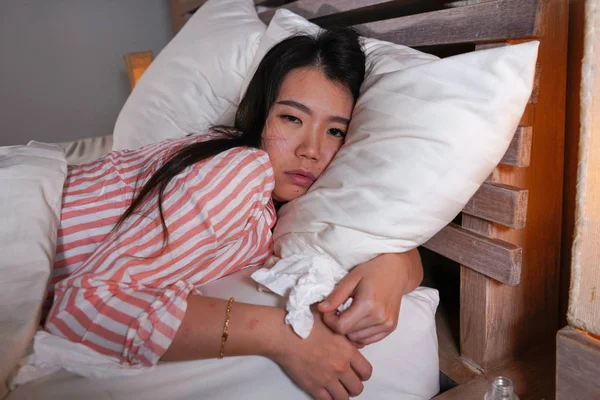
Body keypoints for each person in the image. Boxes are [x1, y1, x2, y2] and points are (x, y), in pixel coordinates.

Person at [46, 28, 423, 400]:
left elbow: (369, 222)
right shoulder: (242, 170)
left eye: (336, 131)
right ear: (261, 116)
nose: (311, 149)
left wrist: (397, 266)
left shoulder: (278, 203)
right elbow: (85, 307)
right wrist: (282, 336)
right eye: (292, 118)